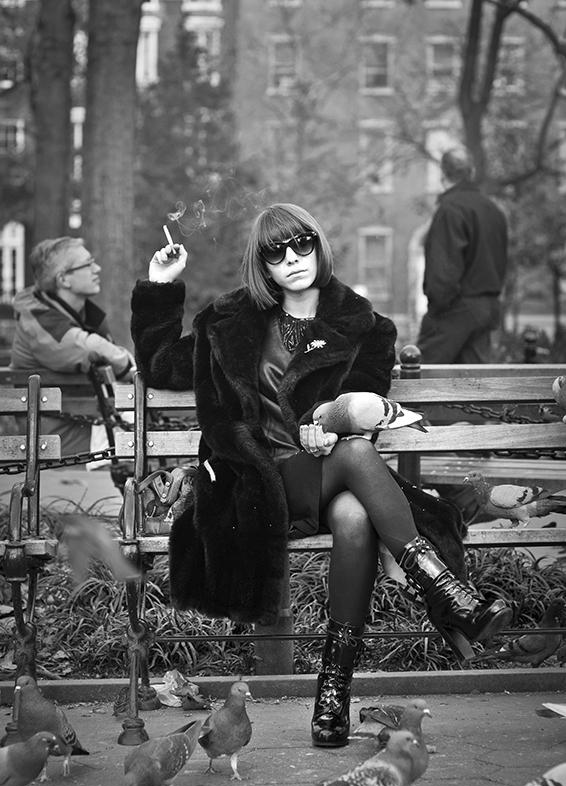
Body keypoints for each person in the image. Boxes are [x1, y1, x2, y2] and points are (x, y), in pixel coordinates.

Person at [130, 203, 513, 749]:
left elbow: (363, 403)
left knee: (355, 514)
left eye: (302, 243)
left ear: (318, 246)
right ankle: (446, 592)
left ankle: (332, 696)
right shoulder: (228, 322)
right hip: (253, 486)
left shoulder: (364, 327)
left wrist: (325, 425)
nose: (292, 258)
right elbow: (159, 365)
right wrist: (161, 284)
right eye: (276, 251)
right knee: (355, 460)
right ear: (262, 264)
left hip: (329, 477)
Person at [10, 237, 135, 456]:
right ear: (63, 279)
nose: (97, 269)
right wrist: (129, 367)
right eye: (88, 264)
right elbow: (85, 348)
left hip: (85, 423)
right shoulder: (37, 318)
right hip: (56, 438)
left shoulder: (79, 313)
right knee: (152, 441)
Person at [417, 148, 508, 364]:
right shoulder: (493, 210)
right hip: (488, 307)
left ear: (443, 174)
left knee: (418, 374)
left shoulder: (450, 210)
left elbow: (443, 271)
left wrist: (436, 311)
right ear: (471, 172)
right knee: (472, 380)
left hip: (456, 309)